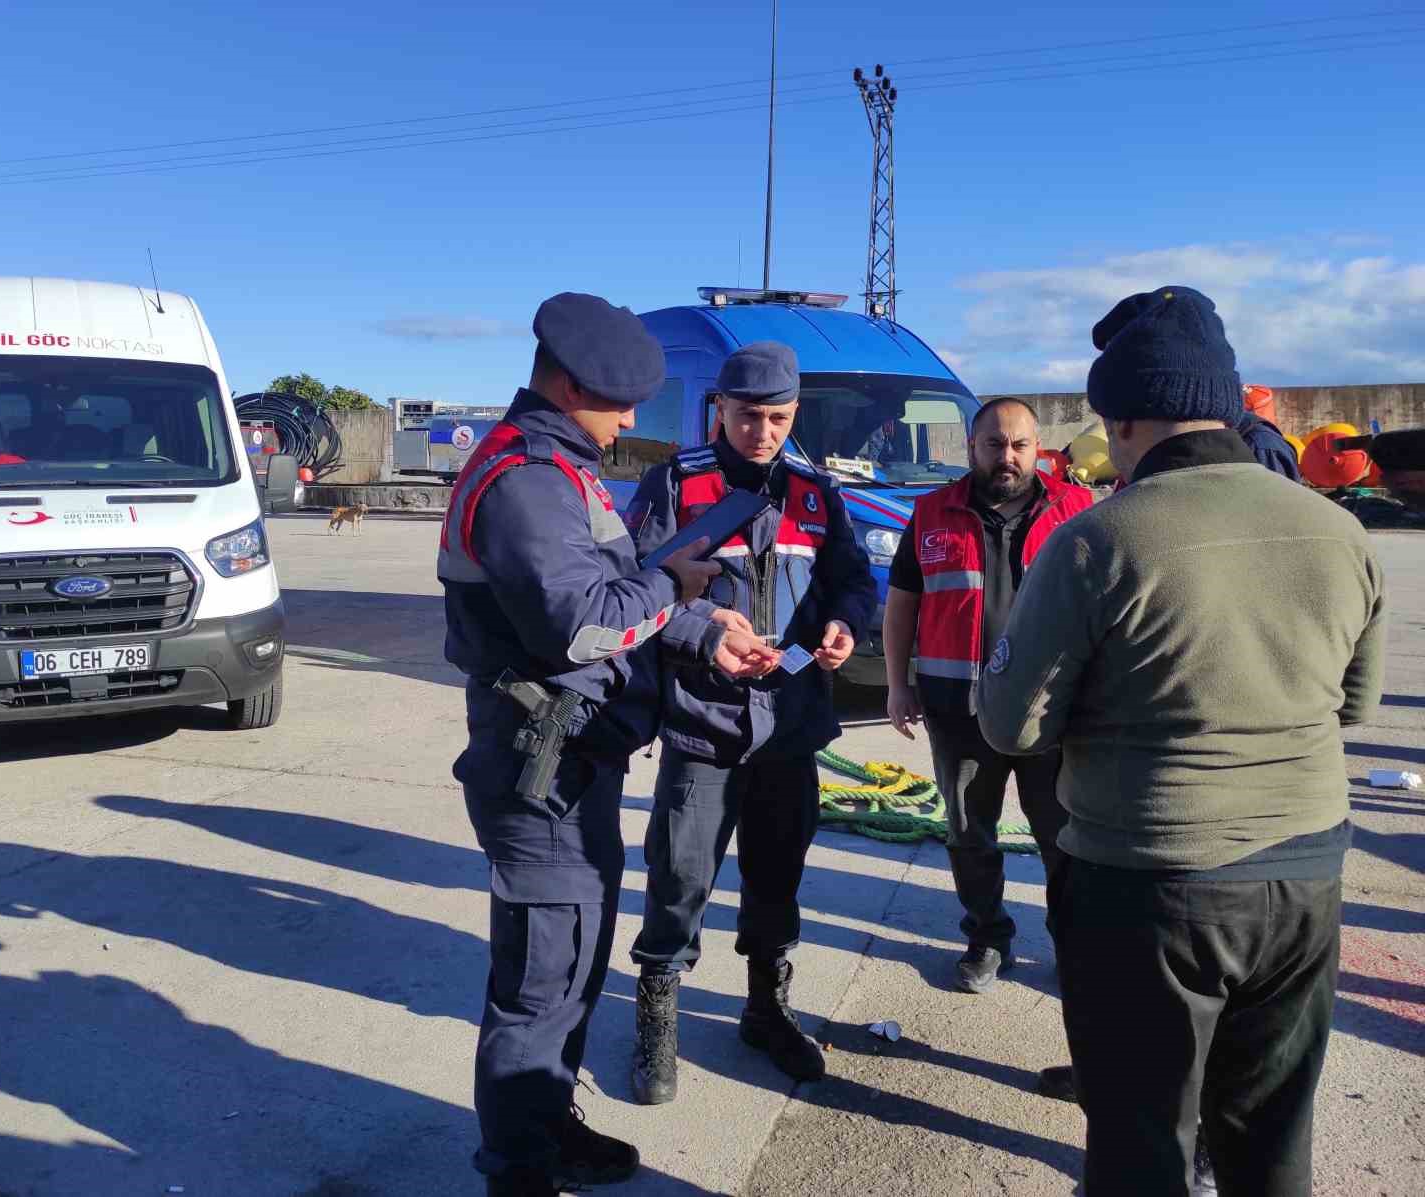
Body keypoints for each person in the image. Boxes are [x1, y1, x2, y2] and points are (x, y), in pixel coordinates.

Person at [978, 286, 1386, 1197]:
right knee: (1273, 1131)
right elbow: (1354, 705)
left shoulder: (1096, 540)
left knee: (1142, 1137)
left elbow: (1011, 723)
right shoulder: (1340, 530)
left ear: (1121, 420)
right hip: (1307, 873)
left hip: (1149, 880)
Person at [439, 292, 728, 1197]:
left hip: (576, 761)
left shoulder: (563, 467)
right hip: (541, 768)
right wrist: (673, 583)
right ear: (565, 385)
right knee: (539, 982)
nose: (632, 419)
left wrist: (703, 626)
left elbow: (612, 591)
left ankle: (546, 1124)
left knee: (572, 968)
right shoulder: (528, 479)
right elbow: (586, 627)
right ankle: (520, 1171)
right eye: (616, 400)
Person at [623, 341, 876, 1104]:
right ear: (719, 410)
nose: (761, 432)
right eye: (746, 416)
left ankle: (766, 1010)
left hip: (791, 726)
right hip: (703, 725)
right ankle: (656, 1018)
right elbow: (637, 591)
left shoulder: (815, 491)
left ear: (794, 415)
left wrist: (844, 626)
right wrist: (703, 630)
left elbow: (852, 580)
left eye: (776, 418)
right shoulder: (676, 483)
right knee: (680, 879)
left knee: (778, 878)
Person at [881, 397, 1093, 992]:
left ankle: (1073, 942)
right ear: (971, 448)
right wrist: (899, 686)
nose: (1007, 457)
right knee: (971, 832)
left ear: (1038, 449)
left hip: (1051, 712)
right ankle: (987, 938)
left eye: (1020, 444)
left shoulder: (1076, 511)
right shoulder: (930, 513)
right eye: (994, 444)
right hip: (959, 711)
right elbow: (902, 605)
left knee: (1064, 835)